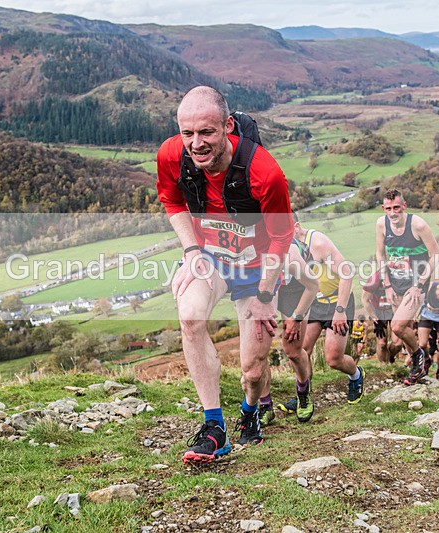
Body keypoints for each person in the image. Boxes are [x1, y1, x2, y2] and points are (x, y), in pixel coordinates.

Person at [156, 86, 294, 464]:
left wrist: (266, 298)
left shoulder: (265, 173)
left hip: (256, 269)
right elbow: (172, 201)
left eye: (207, 133)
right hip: (210, 259)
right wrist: (191, 251)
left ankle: (250, 413)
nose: (196, 144)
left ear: (228, 126)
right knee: (190, 316)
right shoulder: (172, 155)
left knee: (252, 370)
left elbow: (283, 236)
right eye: (187, 133)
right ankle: (214, 428)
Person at [277, 218, 364, 419]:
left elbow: (347, 273)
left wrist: (340, 310)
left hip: (337, 302)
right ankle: (303, 395)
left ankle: (356, 375)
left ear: (296, 227)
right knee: (301, 351)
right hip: (314, 303)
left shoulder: (317, 242)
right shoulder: (283, 248)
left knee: (334, 359)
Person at [375, 189, 439, 386]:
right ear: (383, 209)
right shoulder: (381, 224)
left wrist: (419, 285)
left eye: (396, 207)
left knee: (397, 326)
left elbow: (436, 255)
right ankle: (424, 358)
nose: (393, 213)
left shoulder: (418, 225)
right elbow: (380, 255)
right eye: (388, 209)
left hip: (417, 284)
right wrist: (386, 284)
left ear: (404, 206)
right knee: (401, 332)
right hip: (395, 283)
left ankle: (418, 360)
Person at [258, 238, 320, 427]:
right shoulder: (250, 249)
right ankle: (265, 405)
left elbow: (313, 286)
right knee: (258, 349)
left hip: (295, 289)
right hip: (263, 287)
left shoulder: (290, 253)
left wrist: (296, 317)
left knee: (292, 350)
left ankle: (303, 392)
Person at [361, 271, 402, 364]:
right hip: (379, 311)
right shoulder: (374, 278)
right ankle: (384, 365)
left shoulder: (400, 275)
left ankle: (390, 356)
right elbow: (364, 300)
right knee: (382, 343)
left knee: (398, 343)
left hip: (395, 309)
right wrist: (375, 319)